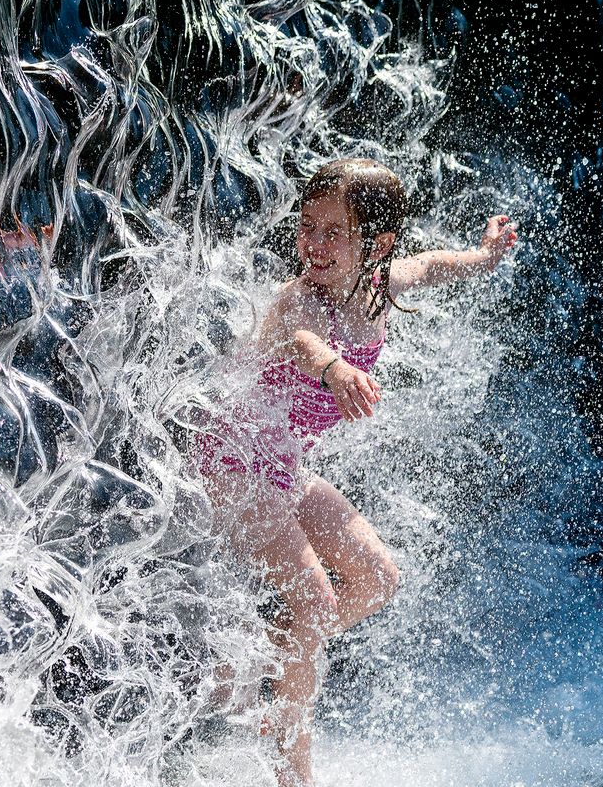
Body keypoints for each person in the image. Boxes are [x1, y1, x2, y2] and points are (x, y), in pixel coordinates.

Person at [196, 158, 518, 785]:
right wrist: (335, 371)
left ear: (378, 244)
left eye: (334, 230)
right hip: (232, 462)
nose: (314, 244)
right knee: (315, 599)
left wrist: (483, 256)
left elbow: (432, 266)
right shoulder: (297, 301)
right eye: (307, 226)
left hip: (282, 466)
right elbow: (301, 345)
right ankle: (292, 772)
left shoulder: (380, 288)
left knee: (377, 577)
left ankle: (264, 658)